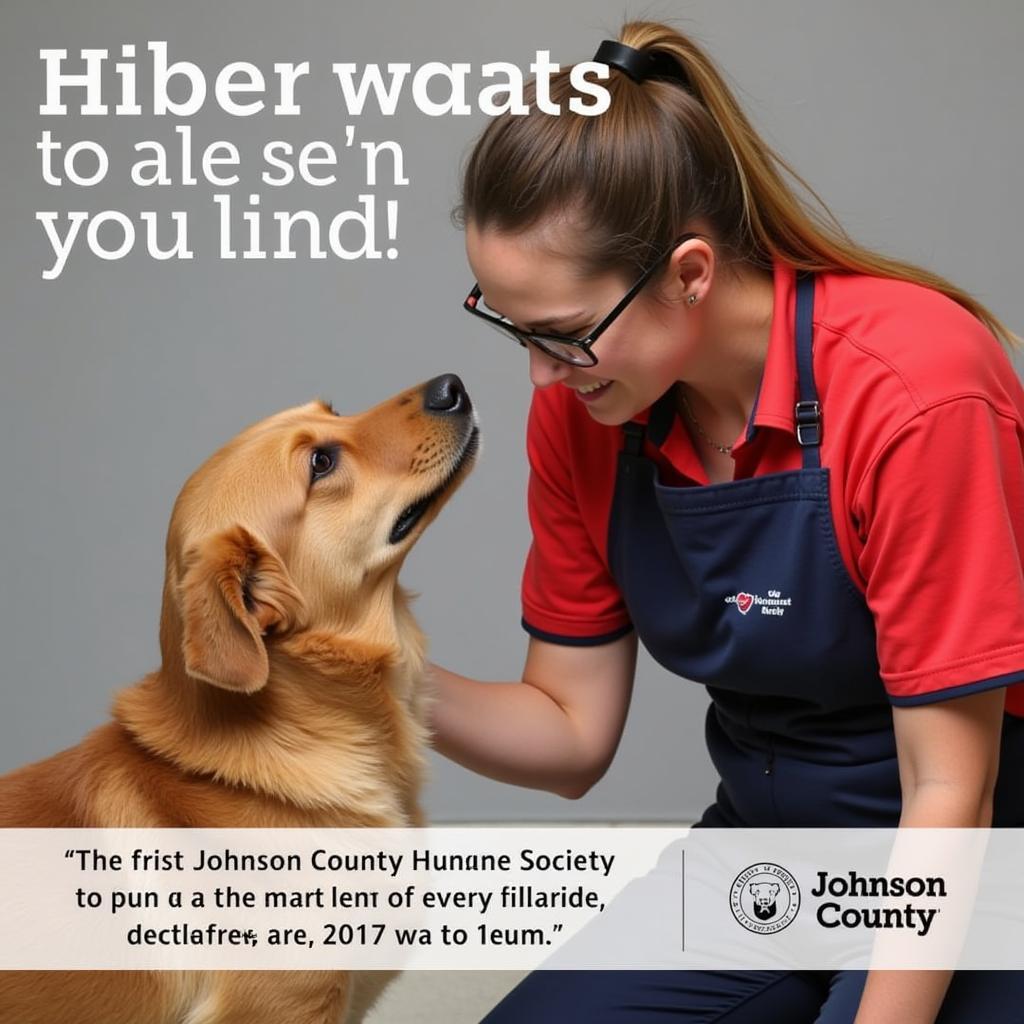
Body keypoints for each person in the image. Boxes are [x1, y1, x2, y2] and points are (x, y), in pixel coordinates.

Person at [428, 19, 1024, 1023]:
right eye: (511, 324)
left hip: (978, 859)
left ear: (689, 274)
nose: (538, 373)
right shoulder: (586, 407)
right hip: (767, 855)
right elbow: (570, 734)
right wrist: (356, 672)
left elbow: (948, 791)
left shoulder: (916, 388)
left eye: (565, 335)